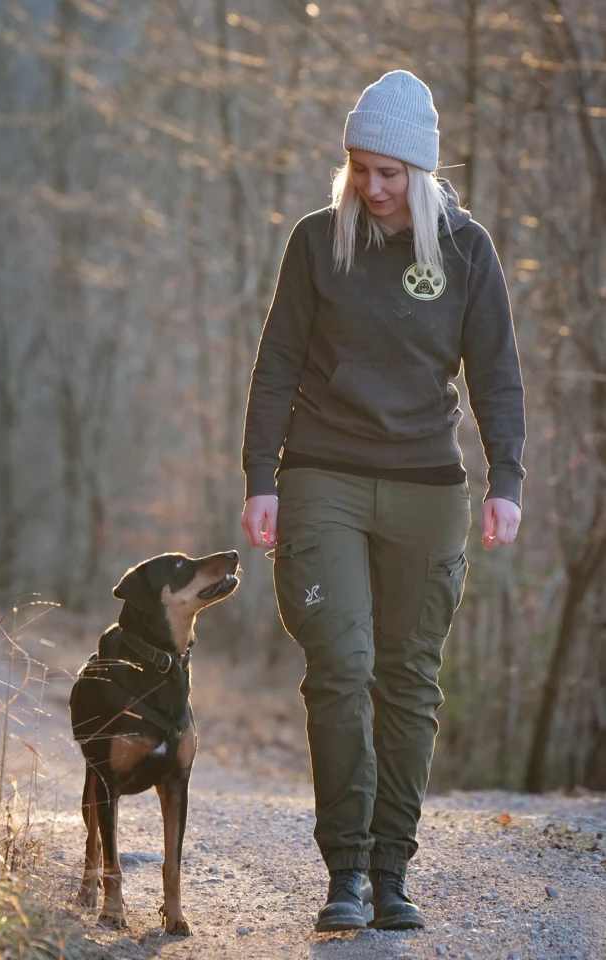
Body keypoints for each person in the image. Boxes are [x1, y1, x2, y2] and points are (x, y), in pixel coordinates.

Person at [240, 70, 525, 933]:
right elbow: (276, 361)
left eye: (390, 173)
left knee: (407, 676)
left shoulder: (467, 251)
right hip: (321, 472)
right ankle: (346, 873)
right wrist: (261, 478)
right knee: (341, 663)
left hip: (427, 486)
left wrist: (505, 479)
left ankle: (393, 870)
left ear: (422, 173)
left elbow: (497, 374)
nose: (372, 187)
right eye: (360, 168)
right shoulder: (316, 241)